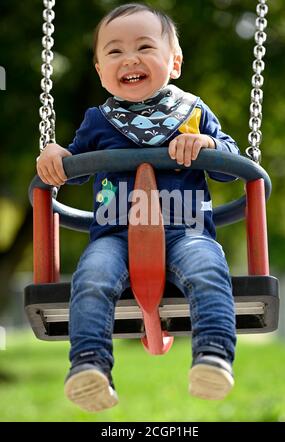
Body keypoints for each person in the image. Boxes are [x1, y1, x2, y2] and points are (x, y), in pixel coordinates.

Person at [37, 3, 240, 413]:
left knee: (208, 269)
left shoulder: (195, 113)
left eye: (145, 46)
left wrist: (209, 146)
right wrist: (58, 156)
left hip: (186, 230)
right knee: (91, 277)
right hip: (113, 234)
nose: (129, 58)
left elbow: (232, 163)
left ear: (174, 62)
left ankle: (213, 357)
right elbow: (71, 170)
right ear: (99, 70)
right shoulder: (99, 120)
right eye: (114, 52)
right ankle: (89, 367)